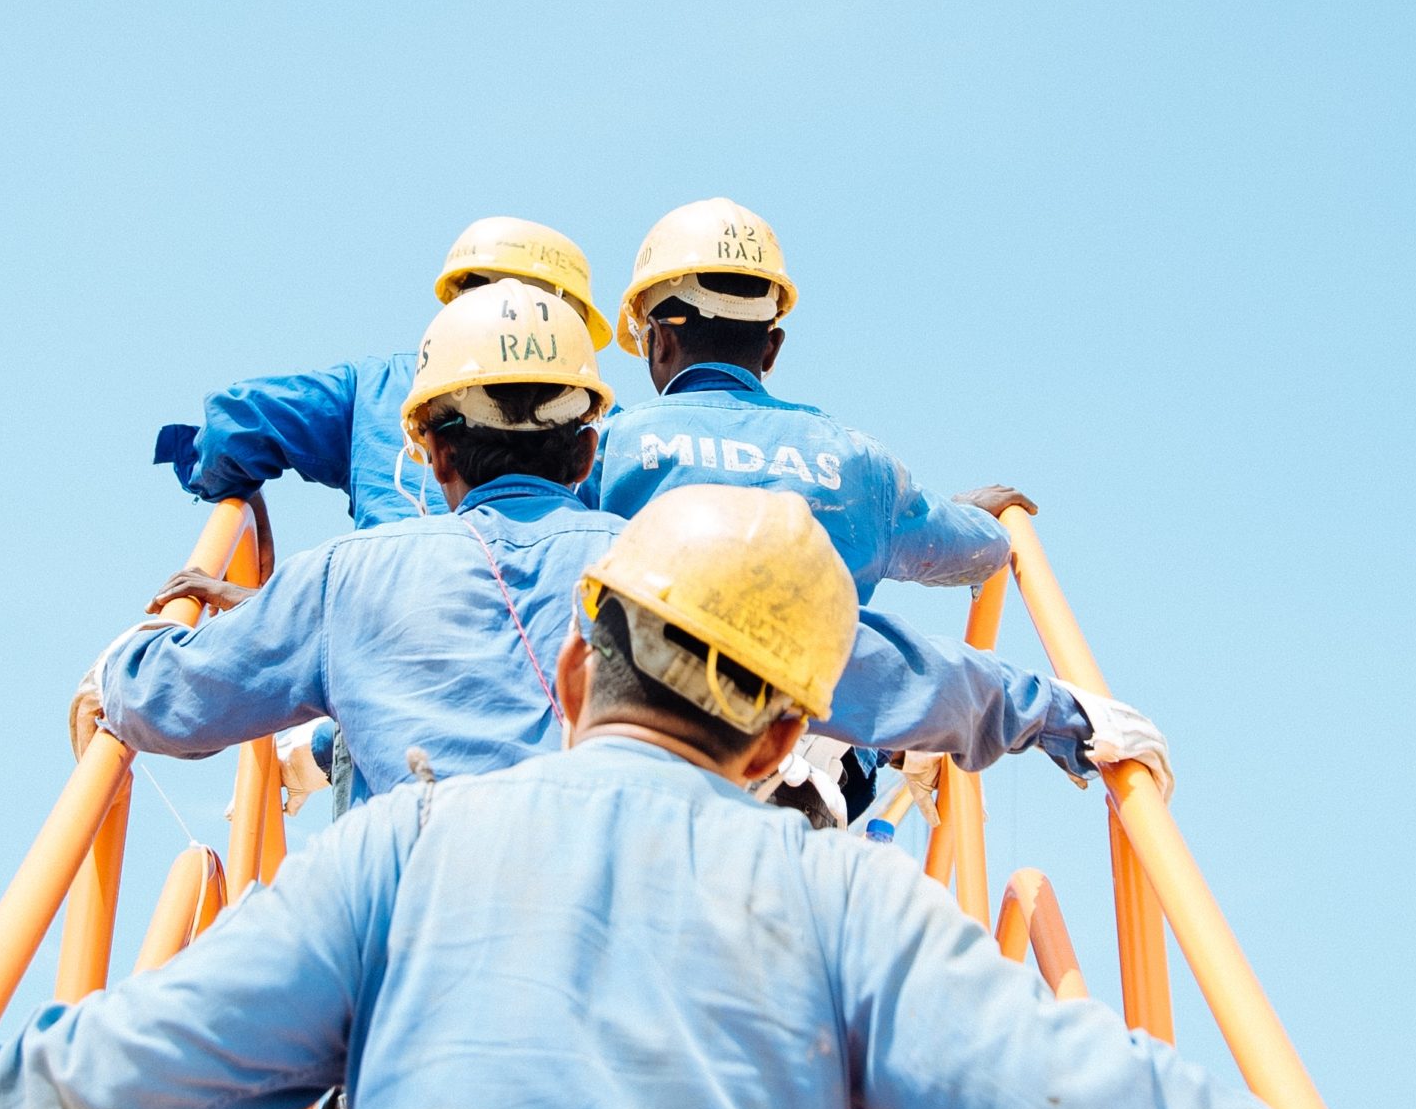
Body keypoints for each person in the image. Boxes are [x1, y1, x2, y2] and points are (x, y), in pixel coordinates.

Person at [0, 485, 1416, 1109]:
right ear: (779, 738)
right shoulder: (848, 896)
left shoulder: (397, 854)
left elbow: (148, 1075)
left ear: (580, 669)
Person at [71, 281, 1171, 810]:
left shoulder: (343, 581)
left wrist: (139, 650)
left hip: (412, 994)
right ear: (588, 430)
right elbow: (876, 664)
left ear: (430, 447)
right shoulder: (675, 567)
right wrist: (1058, 713)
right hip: (640, 975)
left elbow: (170, 704)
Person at [591, 197, 1027, 604]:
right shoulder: (857, 461)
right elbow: (976, 550)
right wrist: (972, 516)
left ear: (660, 341)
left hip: (647, 682)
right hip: (819, 686)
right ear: (772, 346)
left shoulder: (609, 449)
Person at [151, 216, 611, 528]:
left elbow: (234, 425)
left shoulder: (373, 390)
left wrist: (236, 493)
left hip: (378, 627)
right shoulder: (599, 422)